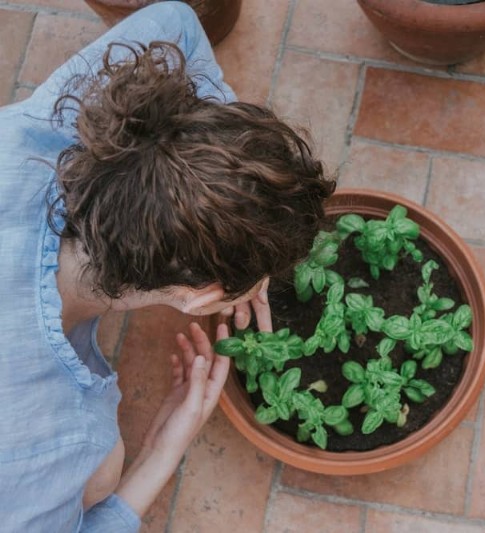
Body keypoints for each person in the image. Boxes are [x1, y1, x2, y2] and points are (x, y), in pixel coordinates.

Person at [0, 2, 334, 531]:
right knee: (102, 472)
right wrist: (161, 450)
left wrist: (216, 193)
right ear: (198, 297)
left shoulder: (47, 127)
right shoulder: (52, 439)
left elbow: (177, 19)